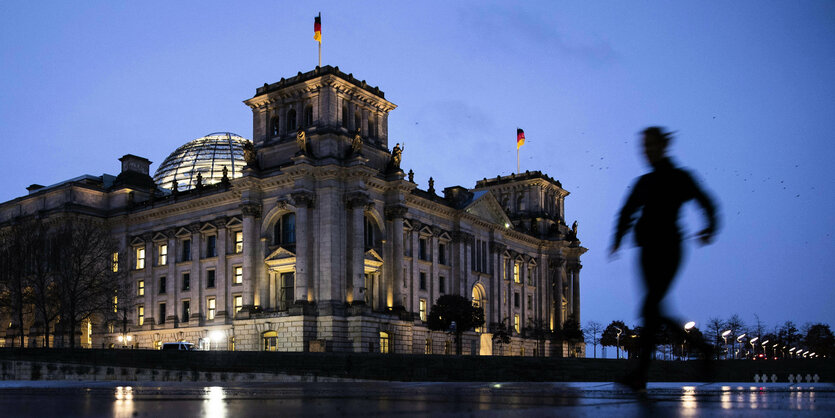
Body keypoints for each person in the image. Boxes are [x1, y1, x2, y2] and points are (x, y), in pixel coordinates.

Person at [611, 126, 719, 391]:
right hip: (646, 250)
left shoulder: (679, 177)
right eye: (643, 147)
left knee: (651, 307)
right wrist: (617, 238)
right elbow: (627, 211)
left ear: (663, 146)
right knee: (653, 309)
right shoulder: (644, 182)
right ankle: (701, 348)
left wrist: (709, 227)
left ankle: (641, 374)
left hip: (670, 248)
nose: (645, 151)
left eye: (650, 145)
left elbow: (707, 202)